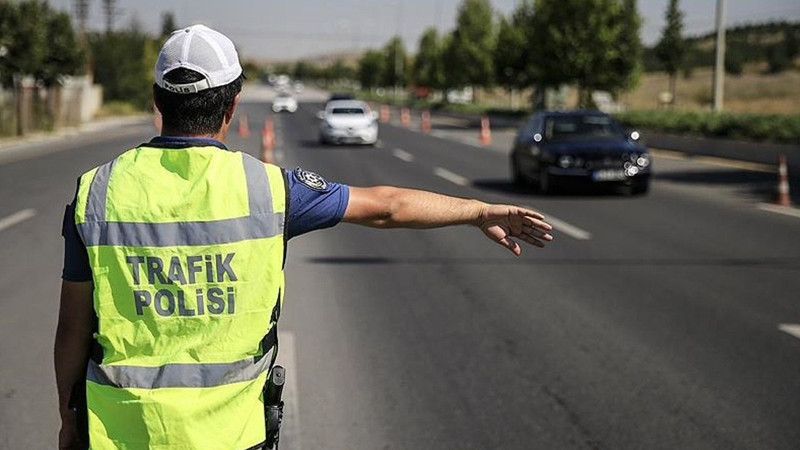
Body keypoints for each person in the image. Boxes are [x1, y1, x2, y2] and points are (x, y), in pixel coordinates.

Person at [54, 25, 553, 450]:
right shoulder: (270, 189)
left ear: (158, 100)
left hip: (118, 433)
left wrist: (70, 418)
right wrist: (478, 210)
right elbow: (386, 207)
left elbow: (72, 329)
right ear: (232, 105)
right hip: (231, 434)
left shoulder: (96, 192)